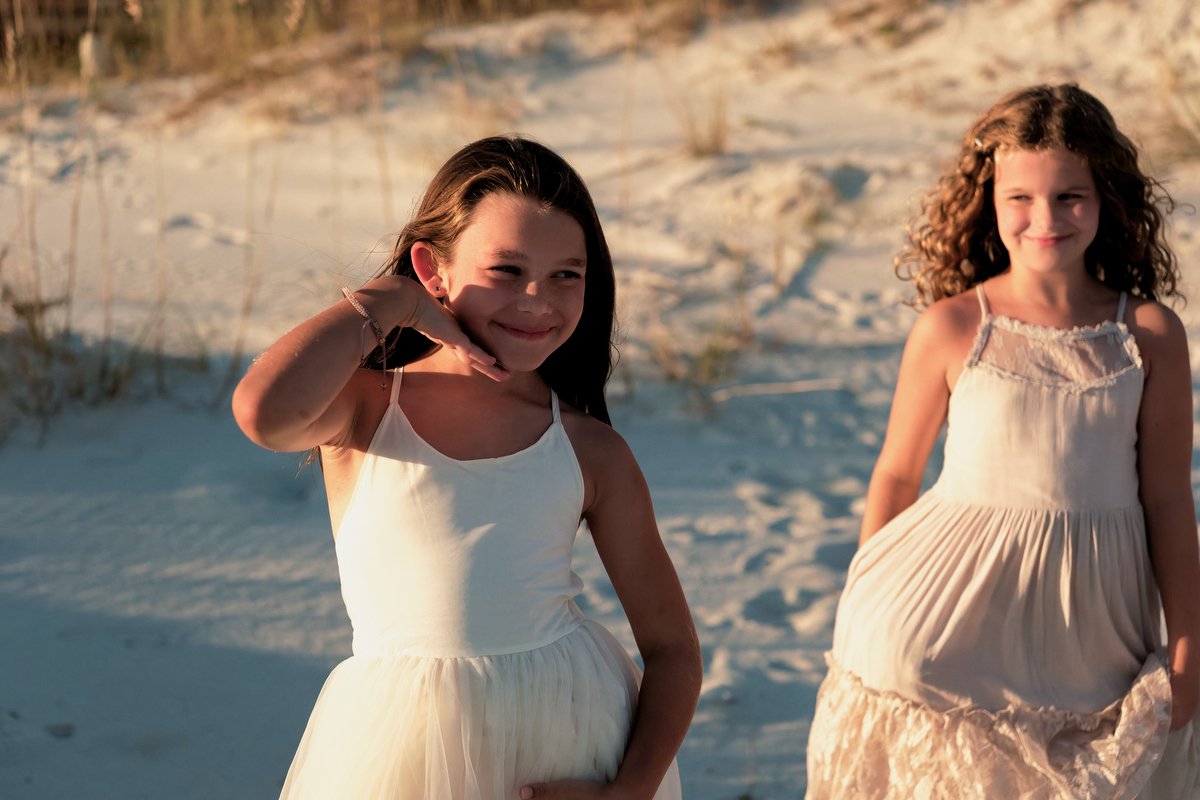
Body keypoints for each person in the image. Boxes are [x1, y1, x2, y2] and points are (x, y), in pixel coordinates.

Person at [232, 135, 701, 800]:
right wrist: (390, 302)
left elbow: (673, 650)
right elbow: (260, 411)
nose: (537, 300)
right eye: (507, 271)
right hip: (397, 750)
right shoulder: (365, 408)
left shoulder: (588, 449)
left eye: (567, 274)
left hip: (568, 737)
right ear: (434, 270)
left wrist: (631, 792)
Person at [806, 84, 1200, 798]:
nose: (1043, 218)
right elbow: (897, 475)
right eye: (1020, 197)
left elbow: (1170, 498)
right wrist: (862, 593)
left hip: (1091, 621)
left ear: (1105, 197)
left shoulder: (1147, 335)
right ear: (989, 201)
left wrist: (1189, 642)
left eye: (1068, 197)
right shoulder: (954, 327)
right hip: (945, 609)